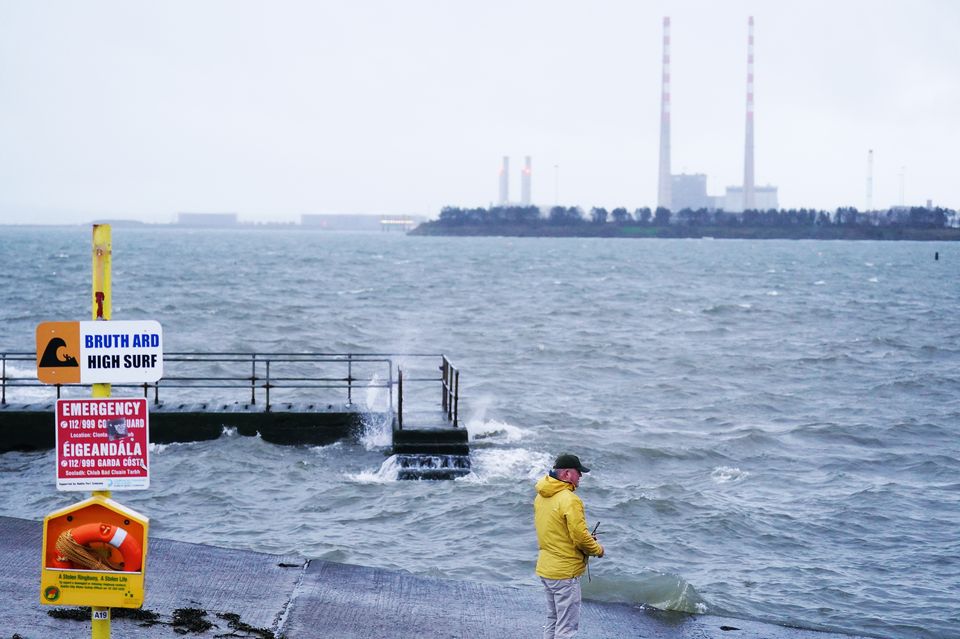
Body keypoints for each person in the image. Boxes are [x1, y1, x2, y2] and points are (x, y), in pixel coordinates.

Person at [533, 453, 605, 639]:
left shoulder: (541, 496)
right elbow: (580, 538)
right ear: (566, 474)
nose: (580, 476)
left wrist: (585, 538)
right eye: (578, 472)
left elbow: (558, 532)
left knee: (553, 618)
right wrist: (597, 550)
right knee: (566, 628)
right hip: (565, 573)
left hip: (546, 569)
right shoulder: (570, 500)